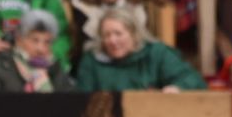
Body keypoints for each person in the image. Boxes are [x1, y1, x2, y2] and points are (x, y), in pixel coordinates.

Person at [75, 10, 205, 91]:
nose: (112, 41)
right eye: (106, 35)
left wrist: (177, 88)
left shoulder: (156, 53)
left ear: (133, 34)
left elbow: (192, 79)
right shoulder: (92, 61)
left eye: (118, 34)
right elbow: (83, 97)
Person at [0, 7, 75, 92]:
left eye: (47, 42)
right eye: (35, 40)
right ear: (19, 39)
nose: (41, 49)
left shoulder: (54, 69)